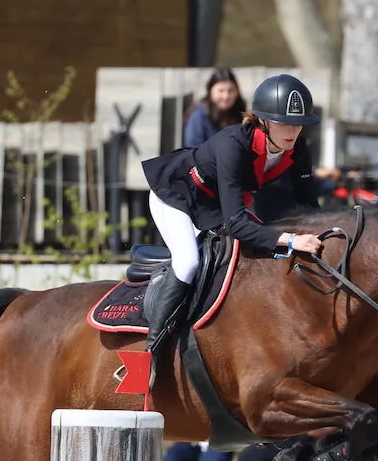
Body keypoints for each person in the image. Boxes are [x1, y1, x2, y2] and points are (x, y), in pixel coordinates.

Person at [139, 73, 324, 358]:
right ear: (263, 120)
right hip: (177, 193)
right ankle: (153, 350)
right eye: (284, 123)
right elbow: (237, 224)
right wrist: (289, 240)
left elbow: (310, 208)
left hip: (215, 205)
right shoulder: (234, 145)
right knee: (189, 262)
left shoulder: (296, 148)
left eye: (299, 124)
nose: (293, 131)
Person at [182, 68, 245, 149]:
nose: (226, 96)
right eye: (221, 91)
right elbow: (193, 150)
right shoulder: (199, 115)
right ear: (210, 91)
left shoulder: (240, 113)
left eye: (230, 90)